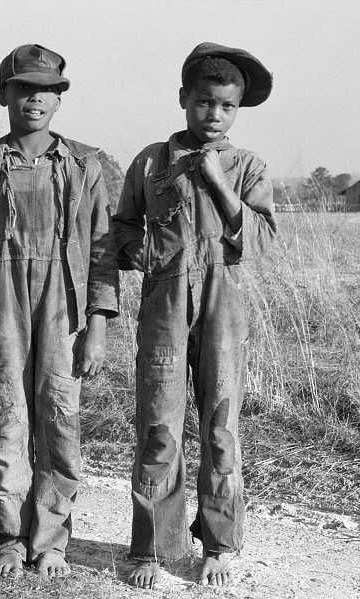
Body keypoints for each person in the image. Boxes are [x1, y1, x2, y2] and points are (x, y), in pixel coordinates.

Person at [0, 43, 119, 580]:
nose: (35, 99)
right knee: (5, 422)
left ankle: (51, 540)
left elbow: (103, 253)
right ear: (4, 94)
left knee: (60, 422)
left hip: (62, 310)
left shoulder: (87, 165)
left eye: (46, 90)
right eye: (23, 88)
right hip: (0, 310)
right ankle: (6, 536)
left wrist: (97, 326)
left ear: (59, 99)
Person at [111, 42, 277, 589]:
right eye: (205, 102)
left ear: (238, 110)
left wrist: (217, 180)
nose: (215, 114)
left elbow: (261, 240)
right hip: (164, 303)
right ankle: (153, 549)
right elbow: (123, 228)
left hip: (224, 304)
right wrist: (134, 249)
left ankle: (219, 545)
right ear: (184, 99)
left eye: (227, 107)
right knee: (160, 426)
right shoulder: (151, 162)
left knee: (221, 429)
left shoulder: (248, 165)